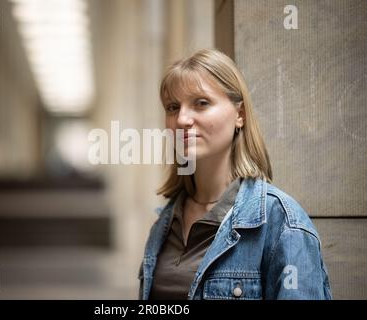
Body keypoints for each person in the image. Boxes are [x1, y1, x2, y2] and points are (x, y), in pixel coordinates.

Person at [138, 49, 332, 300]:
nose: (182, 119)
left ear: (239, 115)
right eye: (173, 107)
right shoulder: (165, 222)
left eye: (201, 103)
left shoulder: (281, 222)